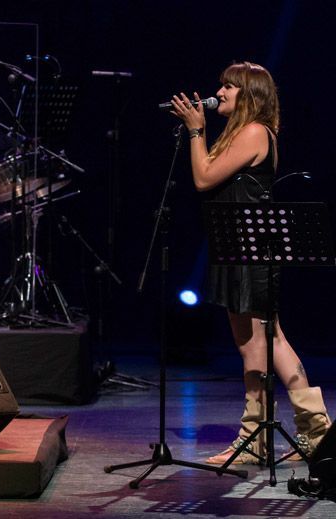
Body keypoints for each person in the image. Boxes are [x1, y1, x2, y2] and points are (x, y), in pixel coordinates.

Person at [171, 62, 330, 464]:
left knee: (263, 342)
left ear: (249, 94)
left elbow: (204, 178)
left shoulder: (256, 131)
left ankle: (273, 436)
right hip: (235, 249)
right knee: (258, 344)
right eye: (221, 84)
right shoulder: (239, 132)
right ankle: (298, 434)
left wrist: (195, 130)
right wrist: (201, 133)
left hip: (252, 250)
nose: (219, 91)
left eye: (229, 86)